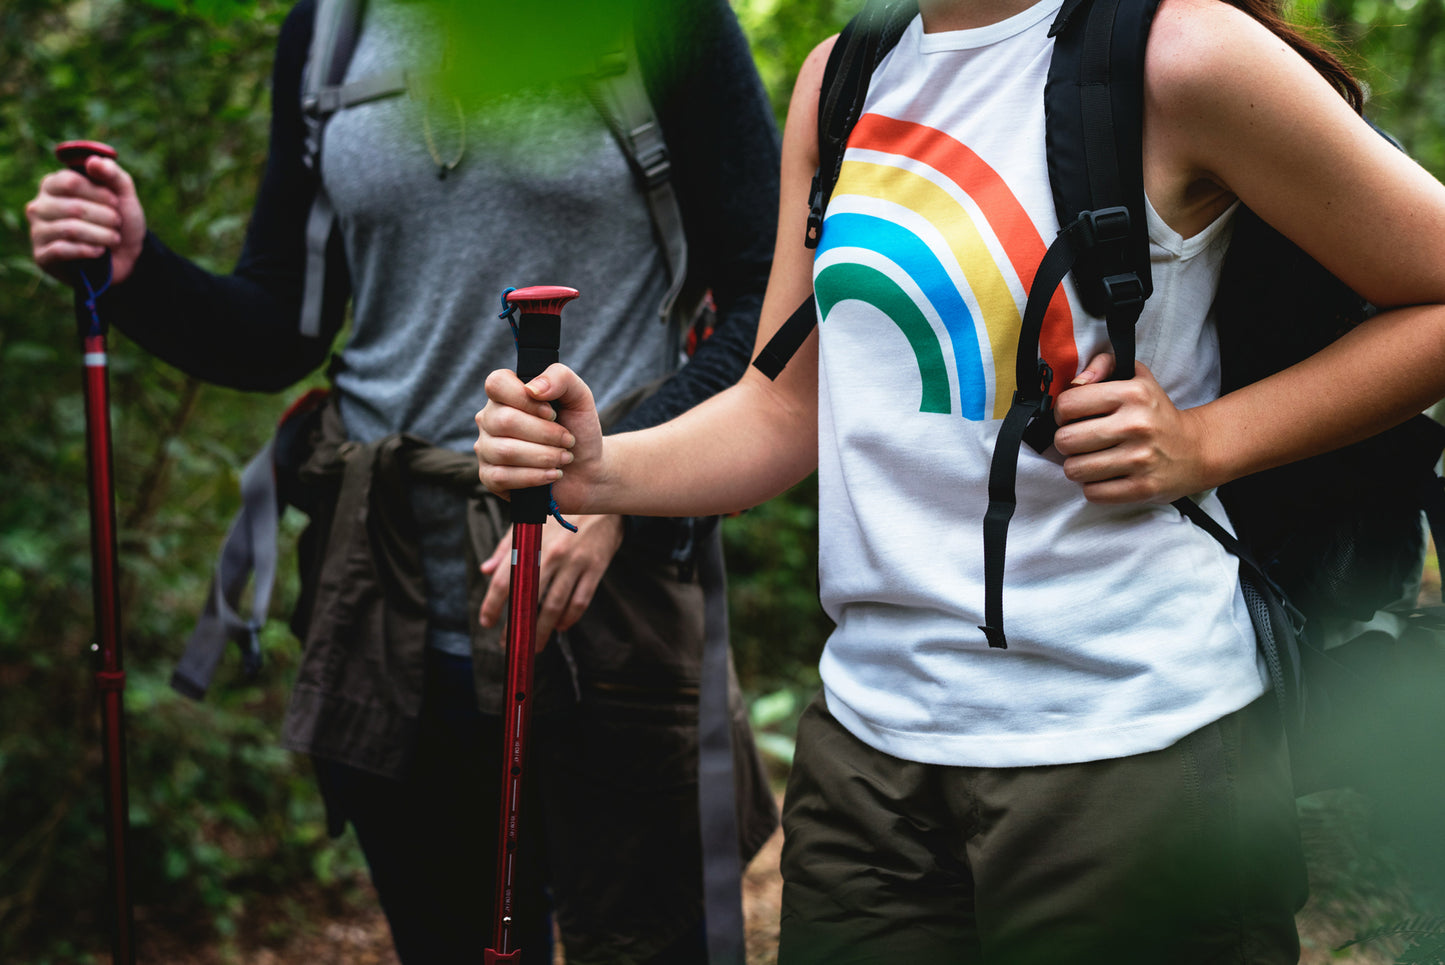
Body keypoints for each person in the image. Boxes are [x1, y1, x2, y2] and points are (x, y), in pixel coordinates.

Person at [475, 0, 1445, 960]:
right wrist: (598, 467)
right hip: (868, 755)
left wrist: (1205, 441)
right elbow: (784, 407)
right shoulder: (842, 77)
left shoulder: (1175, 53)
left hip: (1128, 749)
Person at [26, 0, 781, 962]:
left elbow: (768, 303)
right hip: (383, 588)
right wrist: (136, 270)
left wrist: (614, 485)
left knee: (650, 940)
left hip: (605, 579)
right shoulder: (330, 28)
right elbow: (280, 325)